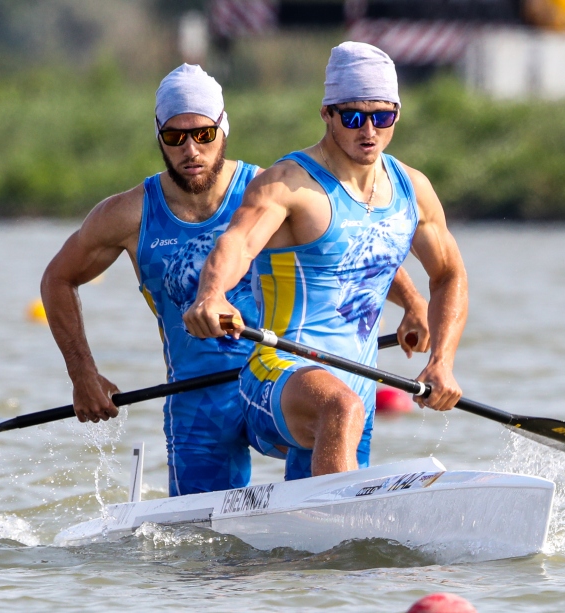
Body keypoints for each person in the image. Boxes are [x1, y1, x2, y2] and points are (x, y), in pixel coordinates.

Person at [41, 64, 430, 496]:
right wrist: (83, 375)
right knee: (204, 556)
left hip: (280, 380)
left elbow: (346, 248)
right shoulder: (128, 215)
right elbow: (58, 279)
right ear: (159, 138)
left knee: (333, 427)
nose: (191, 150)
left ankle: (333, 532)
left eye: (204, 134)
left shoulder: (270, 188)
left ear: (224, 129)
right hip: (198, 399)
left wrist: (413, 303)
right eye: (175, 137)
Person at [183, 42, 469, 480]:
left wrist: (441, 358)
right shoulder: (289, 183)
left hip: (360, 384)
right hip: (277, 375)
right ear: (327, 113)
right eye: (353, 117)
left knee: (342, 425)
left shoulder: (413, 189)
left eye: (383, 116)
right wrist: (212, 293)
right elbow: (237, 244)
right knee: (340, 407)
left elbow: (448, 273)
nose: (368, 130)